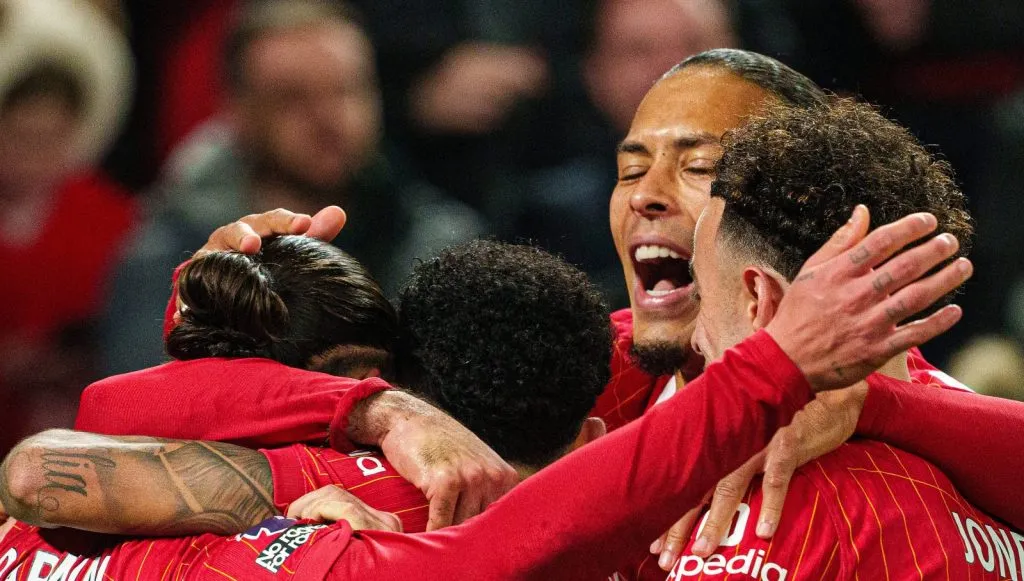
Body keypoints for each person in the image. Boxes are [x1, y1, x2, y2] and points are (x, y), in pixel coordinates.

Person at [0, 208, 971, 579]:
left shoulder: (257, 487)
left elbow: (55, 452)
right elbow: (528, 535)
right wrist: (782, 364)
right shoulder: (332, 546)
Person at [647, 96, 1018, 579]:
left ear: (759, 298)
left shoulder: (758, 509)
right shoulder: (990, 488)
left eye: (704, 295)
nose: (697, 338)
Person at [101, 0, 483, 374]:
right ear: (239, 112)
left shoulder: (438, 240)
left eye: (346, 90)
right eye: (293, 98)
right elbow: (150, 413)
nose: (329, 117)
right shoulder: (170, 255)